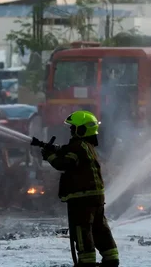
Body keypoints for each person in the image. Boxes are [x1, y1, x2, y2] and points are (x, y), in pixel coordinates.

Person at [41, 110, 119, 267]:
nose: (70, 131)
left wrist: (49, 156)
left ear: (81, 130)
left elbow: (64, 164)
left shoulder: (77, 147)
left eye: (73, 128)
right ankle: (111, 258)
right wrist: (55, 149)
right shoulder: (87, 146)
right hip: (96, 197)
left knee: (82, 230)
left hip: (82, 197)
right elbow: (68, 152)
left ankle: (86, 262)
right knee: (100, 229)